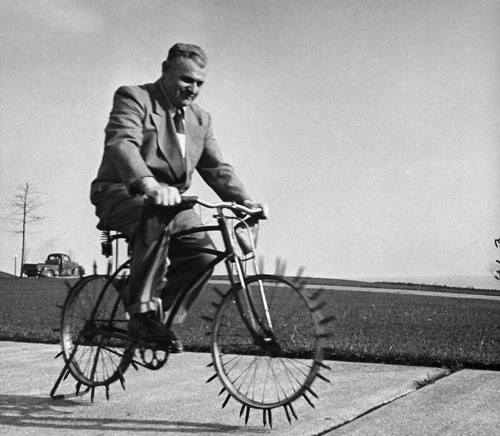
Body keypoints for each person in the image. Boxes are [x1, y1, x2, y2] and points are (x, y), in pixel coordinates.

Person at [90, 43, 261, 352]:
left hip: (172, 202)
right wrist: (148, 183)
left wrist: (246, 202)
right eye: (186, 80)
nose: (192, 88)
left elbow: (215, 167)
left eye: (199, 83)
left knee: (204, 255)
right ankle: (140, 311)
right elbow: (122, 144)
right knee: (157, 215)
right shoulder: (134, 98)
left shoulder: (200, 119)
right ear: (165, 70)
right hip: (121, 191)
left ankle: (158, 317)